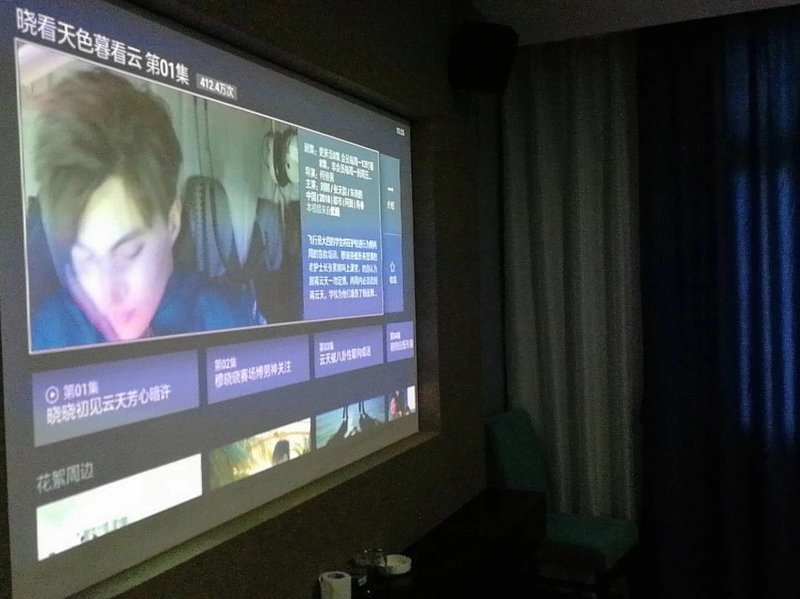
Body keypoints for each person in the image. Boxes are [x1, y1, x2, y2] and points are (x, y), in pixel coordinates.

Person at [30, 68, 255, 350]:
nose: (107, 295)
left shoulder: (229, 318)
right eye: (85, 261)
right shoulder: (50, 334)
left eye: (128, 253)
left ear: (172, 222)